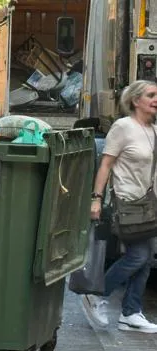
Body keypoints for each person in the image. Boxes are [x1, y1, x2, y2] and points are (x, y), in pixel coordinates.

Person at [86, 80, 157, 333]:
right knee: (138, 255)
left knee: (146, 258)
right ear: (136, 101)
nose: (155, 99)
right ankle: (96, 293)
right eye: (151, 95)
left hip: (149, 204)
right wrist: (96, 198)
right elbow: (106, 164)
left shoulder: (153, 129)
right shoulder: (123, 127)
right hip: (128, 202)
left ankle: (131, 312)